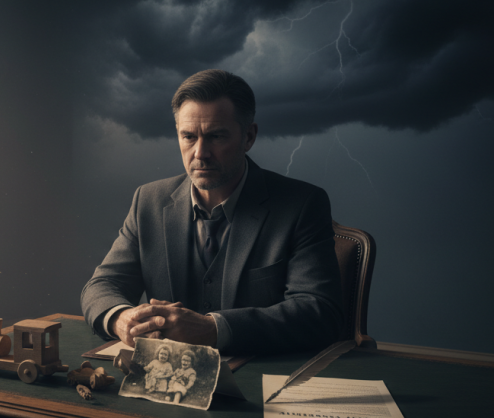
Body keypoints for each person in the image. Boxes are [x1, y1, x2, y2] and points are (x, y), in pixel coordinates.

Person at [81, 69, 344, 356]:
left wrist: (214, 328)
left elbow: (319, 312)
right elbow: (102, 285)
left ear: (249, 137)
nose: (200, 153)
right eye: (188, 137)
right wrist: (120, 319)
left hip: (260, 381)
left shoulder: (302, 204)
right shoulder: (149, 201)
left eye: (216, 136)